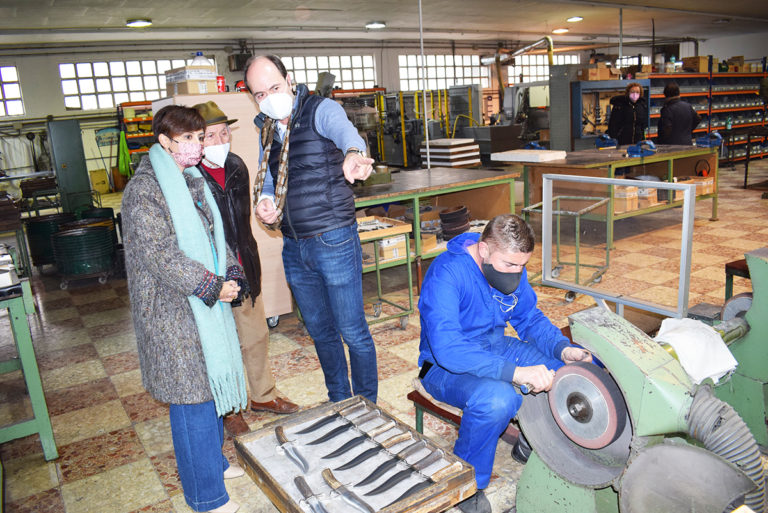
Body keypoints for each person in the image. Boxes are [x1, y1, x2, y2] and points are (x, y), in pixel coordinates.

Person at [417, 214, 593, 513]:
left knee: (566, 373)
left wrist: (562, 349)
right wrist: (515, 373)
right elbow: (448, 349)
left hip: (496, 347)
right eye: (510, 265)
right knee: (498, 398)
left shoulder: (510, 265)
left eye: (522, 265)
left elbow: (529, 319)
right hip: (443, 367)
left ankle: (529, 440)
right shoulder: (447, 274)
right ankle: (467, 482)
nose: (516, 273)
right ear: (484, 250)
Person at [122, 105, 247, 513]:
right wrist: (213, 285)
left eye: (200, 136)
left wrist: (232, 272)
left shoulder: (190, 180)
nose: (199, 146)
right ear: (164, 141)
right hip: (172, 312)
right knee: (192, 399)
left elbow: (217, 234)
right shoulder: (144, 191)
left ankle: (213, 462)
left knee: (209, 390)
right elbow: (160, 255)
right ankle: (205, 496)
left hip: (202, 308)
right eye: (190, 138)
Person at [244, 55, 378, 403]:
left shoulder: (321, 110)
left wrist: (353, 156)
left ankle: (365, 405)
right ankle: (339, 400)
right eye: (260, 94)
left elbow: (349, 137)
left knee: (353, 331)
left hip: (333, 238)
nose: (269, 97)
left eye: (274, 87)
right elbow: (270, 178)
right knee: (320, 332)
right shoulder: (268, 128)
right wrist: (266, 202)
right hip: (294, 247)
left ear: (290, 80)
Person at [193, 101, 299, 437]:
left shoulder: (237, 166)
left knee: (256, 336)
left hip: (246, 265)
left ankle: (263, 396)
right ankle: (230, 410)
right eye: (211, 135)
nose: (221, 140)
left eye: (224, 132)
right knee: (223, 346)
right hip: (215, 274)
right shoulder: (190, 177)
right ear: (197, 139)